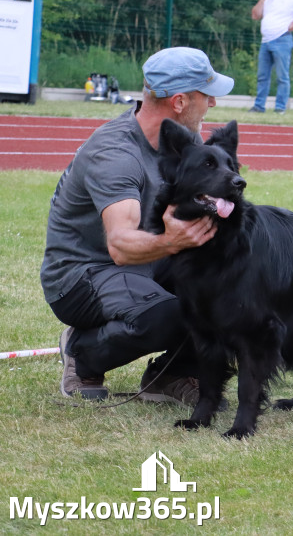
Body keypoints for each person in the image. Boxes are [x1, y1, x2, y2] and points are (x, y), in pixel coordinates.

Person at [42, 47, 235, 402]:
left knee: (238, 291)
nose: (213, 104)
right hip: (83, 273)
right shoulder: (116, 154)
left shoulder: (184, 141)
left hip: (149, 261)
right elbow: (120, 245)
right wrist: (173, 242)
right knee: (167, 315)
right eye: (207, 95)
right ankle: (81, 353)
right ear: (179, 101)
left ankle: (173, 374)